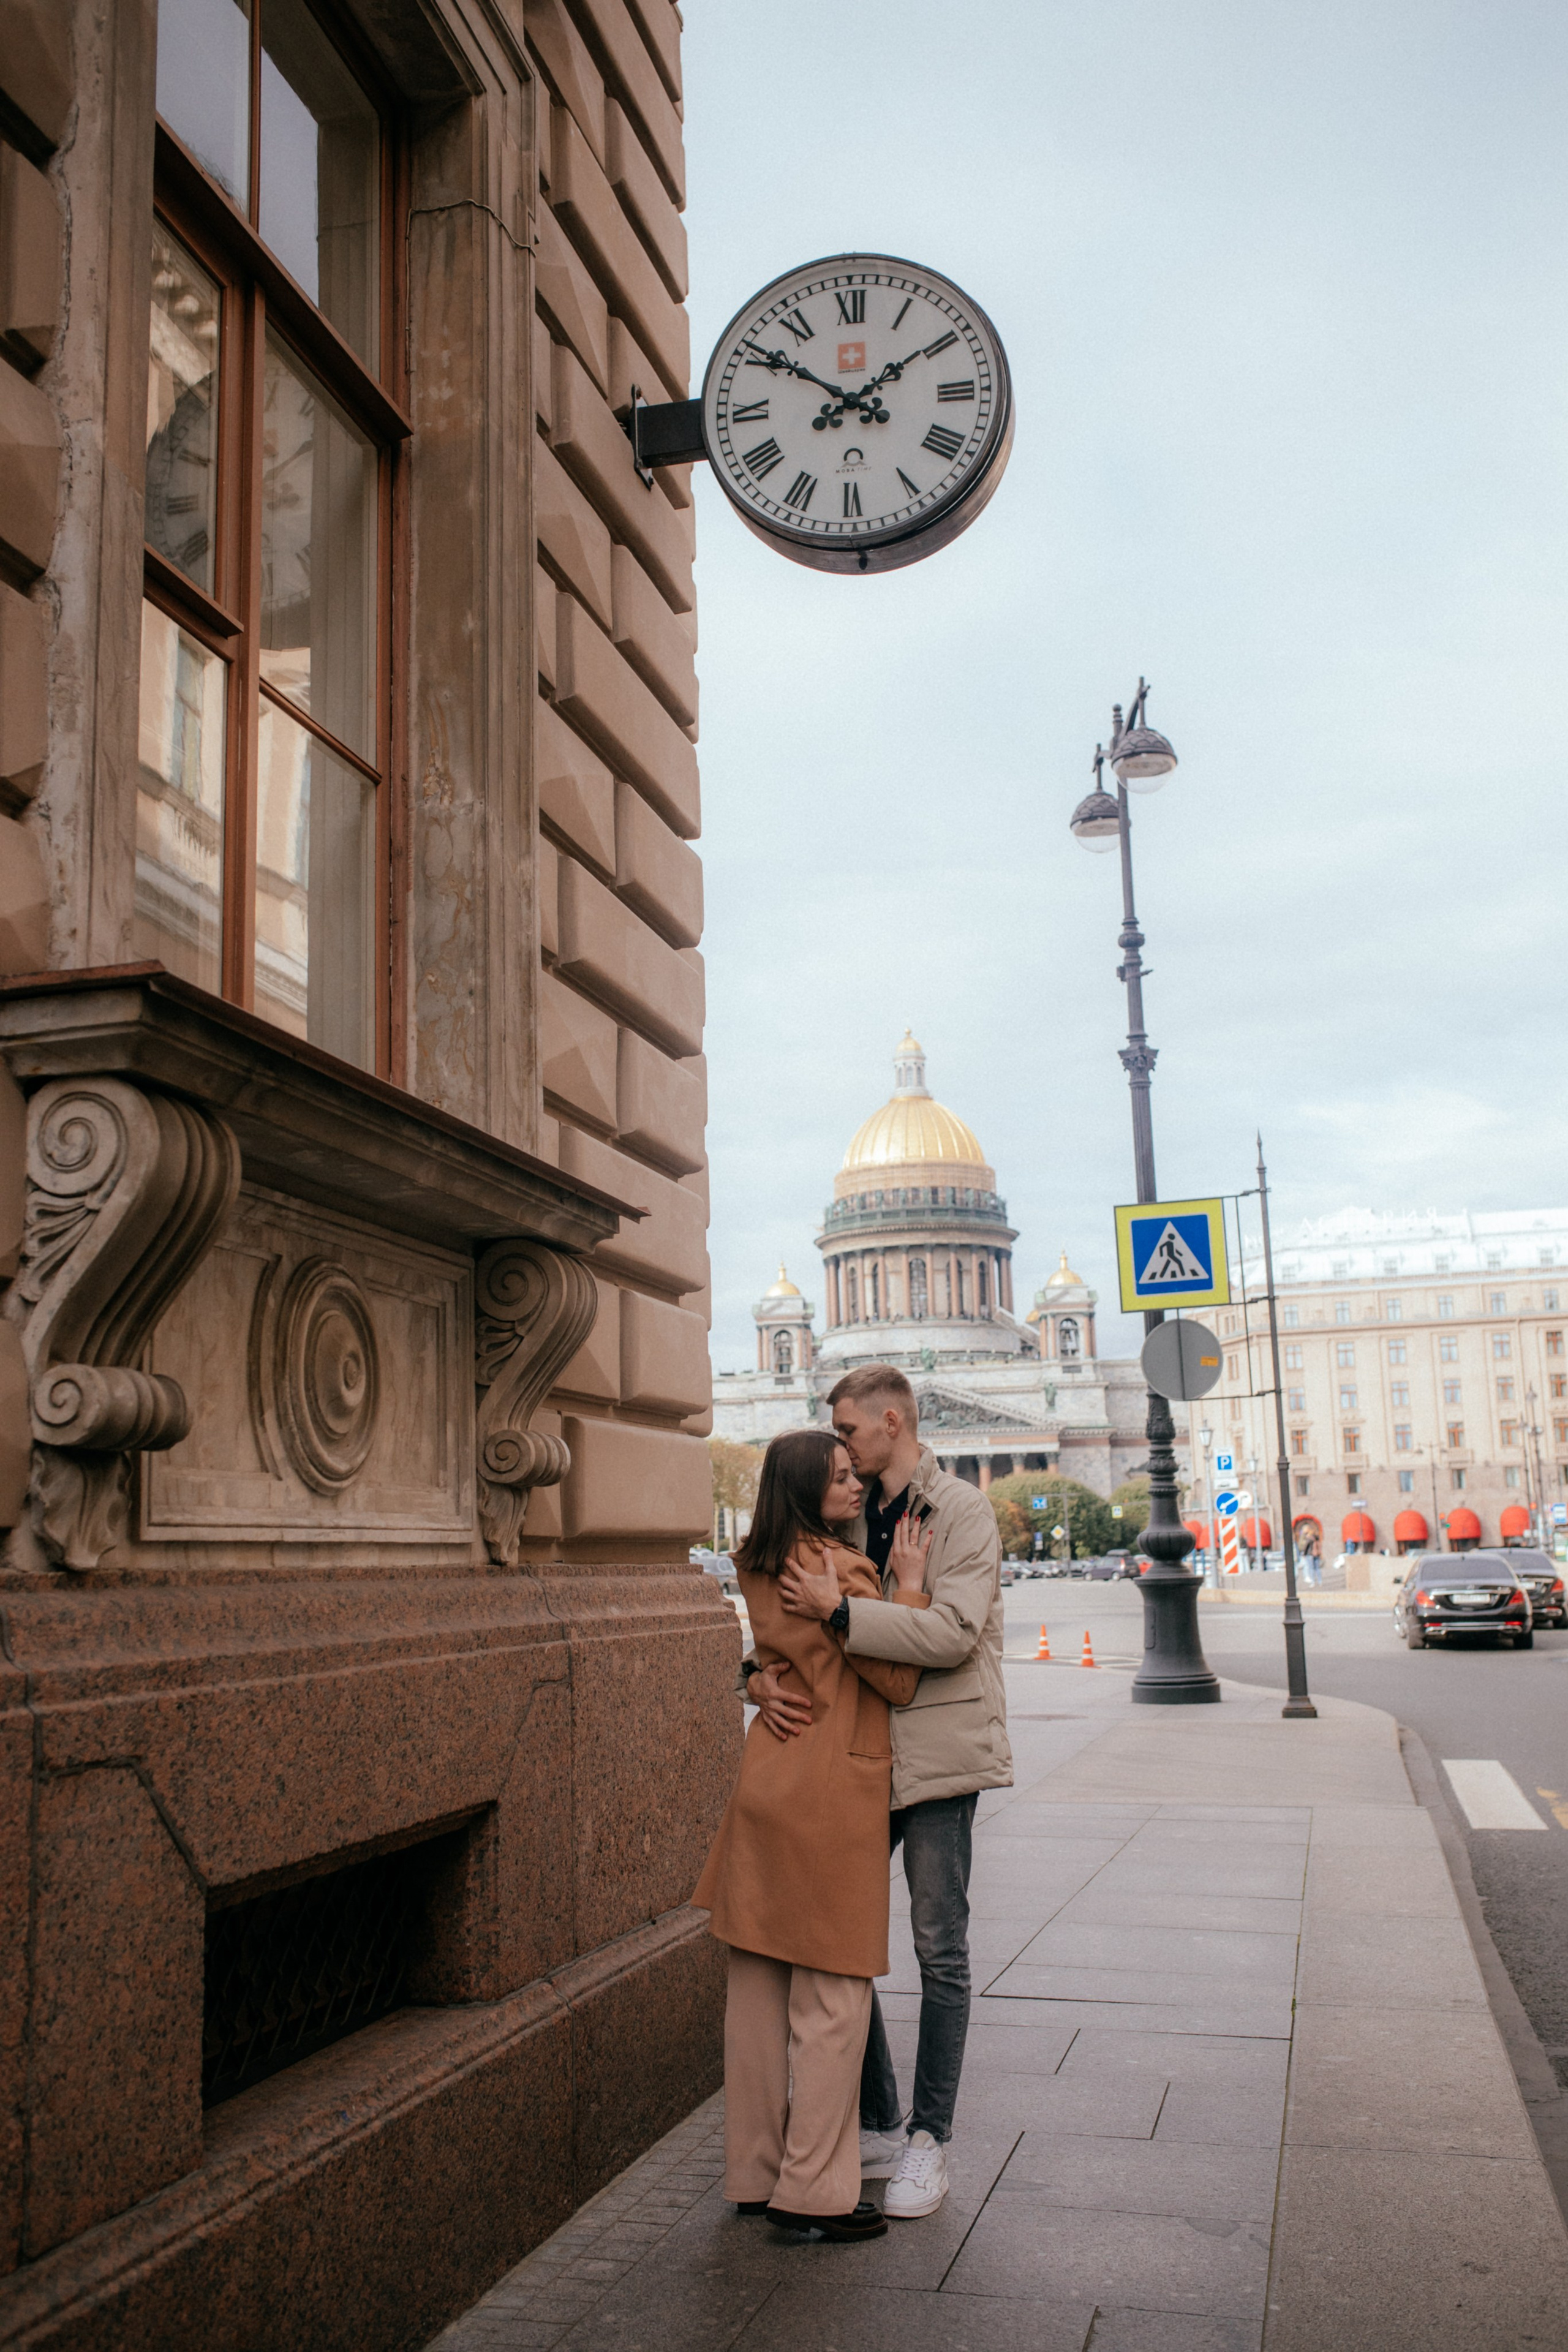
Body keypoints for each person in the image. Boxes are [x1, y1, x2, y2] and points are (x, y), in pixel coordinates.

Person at [752, 1364, 1011, 2220]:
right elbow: (786, 1620)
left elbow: (951, 1633)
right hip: (852, 1762)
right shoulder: (849, 1509)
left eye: (852, 1434)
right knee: (836, 1940)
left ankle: (928, 2142)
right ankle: (875, 2119)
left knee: (940, 1947)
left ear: (892, 1423)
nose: (843, 1451)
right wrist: (753, 1672)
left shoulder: (963, 1511)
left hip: (933, 1757)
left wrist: (843, 1612)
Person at [693, 1427, 930, 2241]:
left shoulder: (757, 1561)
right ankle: (814, 2195)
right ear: (805, 1490)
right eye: (837, 1481)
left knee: (757, 1994)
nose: (855, 1487)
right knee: (833, 1999)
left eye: (852, 1474)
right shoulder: (842, 1567)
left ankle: (753, 2175)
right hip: (833, 1790)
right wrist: (909, 1588)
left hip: (770, 1781)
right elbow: (897, 1678)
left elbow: (767, 1654)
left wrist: (754, 1678)